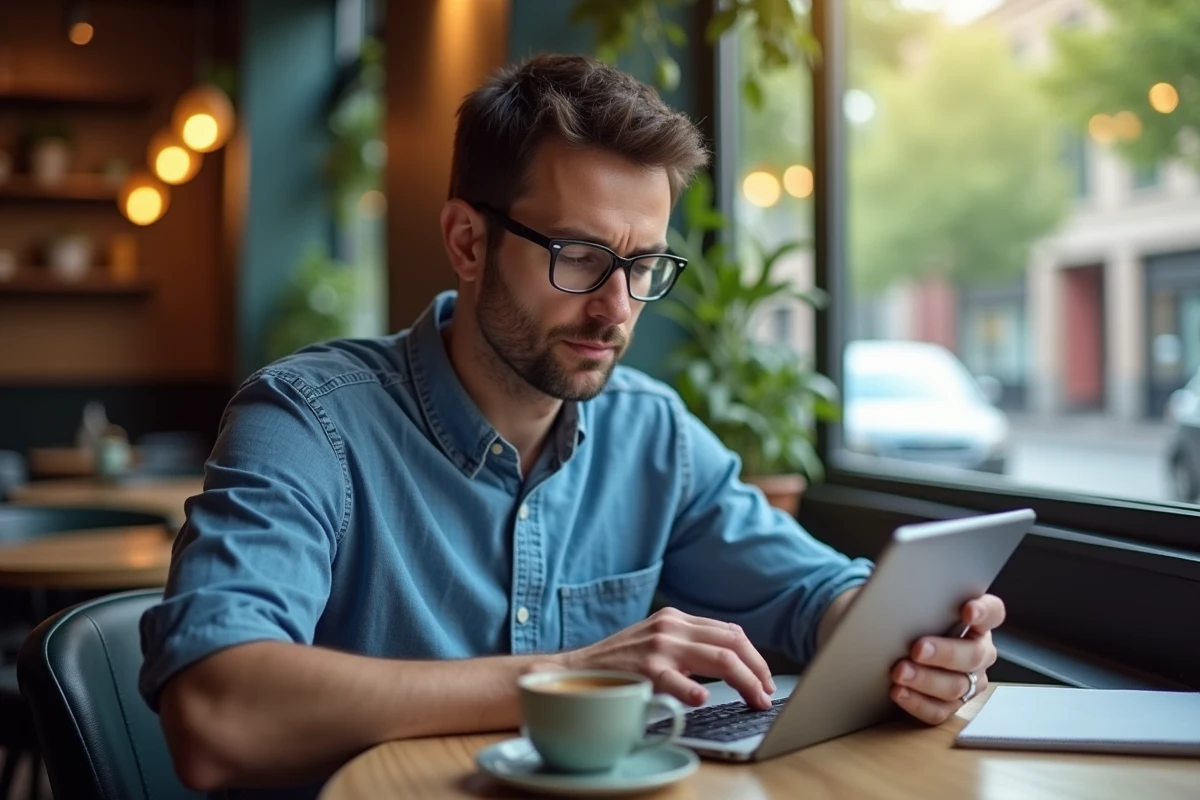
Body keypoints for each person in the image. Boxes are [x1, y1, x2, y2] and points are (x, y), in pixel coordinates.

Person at [140, 53, 1006, 798]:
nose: (616, 308)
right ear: (468, 242)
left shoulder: (652, 436)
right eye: (580, 257)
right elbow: (217, 712)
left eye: (643, 265)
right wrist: (566, 676)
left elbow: (815, 594)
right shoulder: (308, 420)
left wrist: (915, 648)